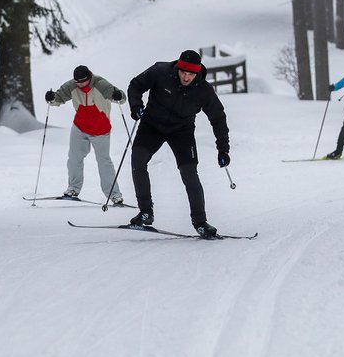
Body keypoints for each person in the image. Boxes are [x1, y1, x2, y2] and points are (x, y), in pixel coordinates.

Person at [127, 50, 230, 239]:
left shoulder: (203, 90)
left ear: (197, 73)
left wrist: (223, 149)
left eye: (191, 74)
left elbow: (218, 118)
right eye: (183, 72)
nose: (186, 77)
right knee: (138, 160)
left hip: (181, 130)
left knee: (189, 173)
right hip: (151, 125)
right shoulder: (160, 71)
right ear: (178, 67)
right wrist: (135, 106)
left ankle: (200, 222)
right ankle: (145, 212)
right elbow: (135, 85)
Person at [44, 65, 128, 205]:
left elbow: (121, 98)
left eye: (83, 81)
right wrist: (51, 98)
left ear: (89, 78)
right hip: (80, 127)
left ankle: (114, 195)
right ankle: (73, 189)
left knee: (104, 162)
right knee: (74, 158)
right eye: (78, 82)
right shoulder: (72, 85)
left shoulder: (101, 84)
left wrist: (118, 95)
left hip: (100, 129)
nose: (80, 84)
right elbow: (58, 98)